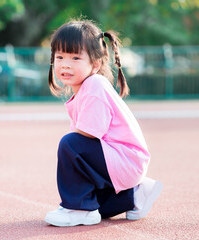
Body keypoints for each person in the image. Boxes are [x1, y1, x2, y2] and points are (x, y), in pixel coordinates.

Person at [44, 19, 163, 227]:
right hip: (120, 162)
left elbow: (88, 135)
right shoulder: (83, 89)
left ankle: (78, 209)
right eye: (60, 56)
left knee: (69, 144)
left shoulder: (95, 84)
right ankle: (135, 195)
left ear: (96, 64)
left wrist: (69, 159)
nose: (65, 63)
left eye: (75, 58)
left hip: (125, 159)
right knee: (97, 205)